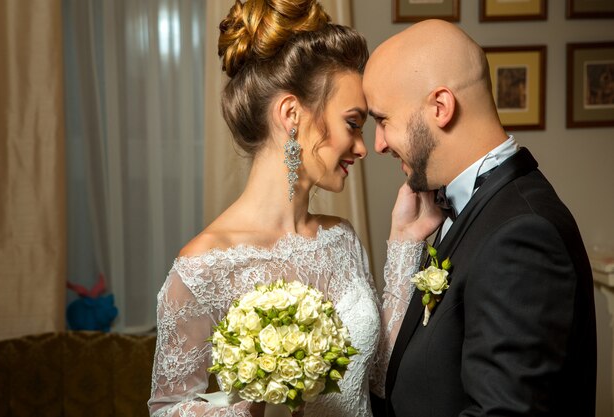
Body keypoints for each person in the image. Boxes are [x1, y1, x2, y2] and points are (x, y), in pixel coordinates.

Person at [148, 1, 441, 416]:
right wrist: (250, 408)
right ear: (291, 114)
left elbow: (377, 376)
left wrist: (405, 242)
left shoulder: (340, 239)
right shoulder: (201, 267)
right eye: (353, 123)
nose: (362, 147)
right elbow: (166, 408)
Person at [364, 19, 597, 417]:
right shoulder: (459, 203)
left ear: (440, 107)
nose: (379, 143)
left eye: (383, 119)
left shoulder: (523, 235)